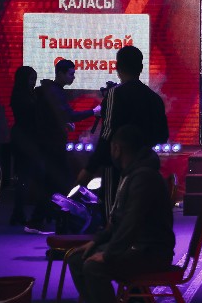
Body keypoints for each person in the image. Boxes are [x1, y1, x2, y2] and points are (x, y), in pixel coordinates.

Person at [67, 124, 175, 303]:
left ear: (117, 149)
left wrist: (108, 254)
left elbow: (131, 223)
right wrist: (96, 242)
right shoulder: (133, 173)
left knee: (94, 267)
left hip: (152, 252)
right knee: (78, 258)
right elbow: (117, 220)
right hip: (139, 247)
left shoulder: (143, 177)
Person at [75, 46, 169, 221]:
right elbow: (163, 135)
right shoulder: (154, 98)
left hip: (117, 167)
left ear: (117, 67)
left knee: (114, 217)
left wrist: (89, 169)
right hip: (146, 165)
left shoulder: (114, 94)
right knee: (140, 216)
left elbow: (107, 135)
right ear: (141, 68)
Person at [30, 59, 100, 235]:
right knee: (62, 182)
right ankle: (56, 220)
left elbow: (54, 116)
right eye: (71, 74)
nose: (73, 77)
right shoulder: (54, 92)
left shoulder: (51, 90)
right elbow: (67, 114)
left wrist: (64, 123)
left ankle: (42, 220)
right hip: (53, 144)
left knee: (53, 183)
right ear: (60, 73)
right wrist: (93, 112)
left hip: (50, 143)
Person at [9, 66, 38, 226]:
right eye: (31, 79)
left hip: (23, 137)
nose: (33, 82)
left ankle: (18, 213)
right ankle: (18, 213)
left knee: (24, 177)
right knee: (25, 177)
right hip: (25, 139)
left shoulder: (22, 94)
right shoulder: (23, 97)